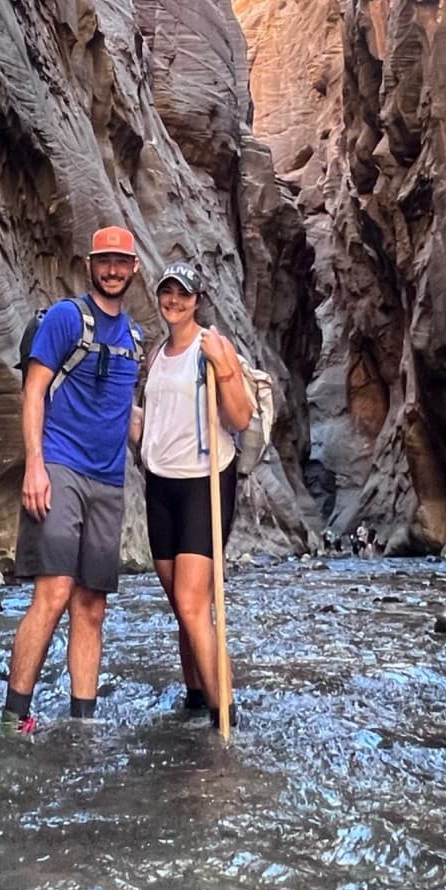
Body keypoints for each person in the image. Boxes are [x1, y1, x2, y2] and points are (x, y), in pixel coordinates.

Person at [1, 226, 144, 733]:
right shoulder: (66, 318)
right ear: (91, 263)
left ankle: (83, 722)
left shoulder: (134, 340)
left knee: (92, 607)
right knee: (54, 593)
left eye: (121, 262)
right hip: (60, 468)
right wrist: (34, 465)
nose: (112, 270)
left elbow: (129, 418)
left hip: (108, 485)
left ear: (133, 269)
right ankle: (15, 715)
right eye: (105, 261)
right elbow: (34, 391)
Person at [139, 260, 254, 724]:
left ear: (197, 300)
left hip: (203, 483)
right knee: (181, 603)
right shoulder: (154, 355)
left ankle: (222, 708)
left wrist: (224, 373)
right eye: (168, 292)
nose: (174, 300)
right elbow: (152, 422)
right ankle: (193, 690)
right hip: (160, 483)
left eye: (183, 294)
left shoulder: (212, 346)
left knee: (191, 602)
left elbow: (241, 418)